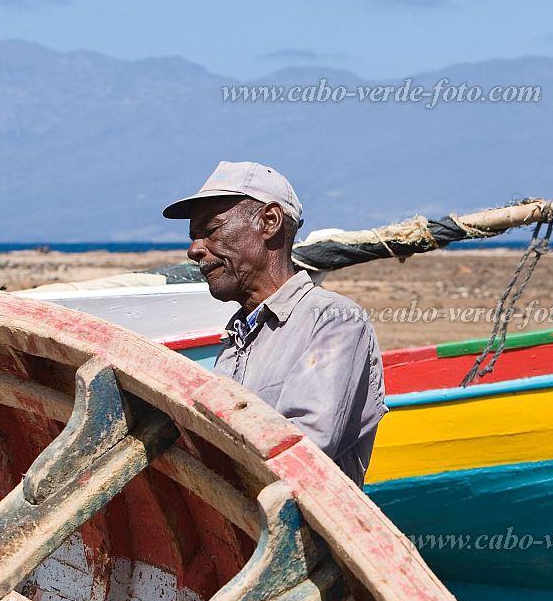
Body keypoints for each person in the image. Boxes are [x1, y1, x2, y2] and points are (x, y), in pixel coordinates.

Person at [162, 160, 386, 486]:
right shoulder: (237, 338)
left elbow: (302, 451)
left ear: (269, 222)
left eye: (210, 231)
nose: (194, 250)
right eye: (193, 237)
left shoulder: (333, 321)